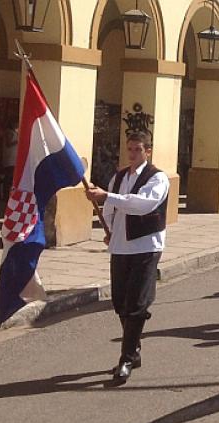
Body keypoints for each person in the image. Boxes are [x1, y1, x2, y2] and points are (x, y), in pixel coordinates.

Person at [84, 132, 170, 384]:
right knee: (120, 302)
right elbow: (110, 210)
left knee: (137, 303)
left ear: (148, 151)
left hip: (145, 246)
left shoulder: (157, 178)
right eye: (129, 149)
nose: (132, 154)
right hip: (121, 247)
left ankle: (126, 358)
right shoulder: (119, 176)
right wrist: (110, 230)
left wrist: (107, 196)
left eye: (137, 149)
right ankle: (134, 349)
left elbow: (142, 204)